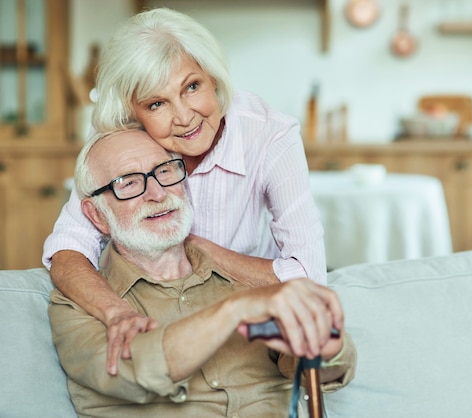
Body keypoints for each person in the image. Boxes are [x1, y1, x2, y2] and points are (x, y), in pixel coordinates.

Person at [42, 7, 326, 375]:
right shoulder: (120, 137)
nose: (184, 116)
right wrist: (117, 313)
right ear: (132, 112)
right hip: (153, 312)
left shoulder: (270, 135)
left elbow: (309, 276)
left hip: (244, 317)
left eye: (192, 87)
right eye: (156, 104)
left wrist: (200, 248)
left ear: (213, 78)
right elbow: (68, 249)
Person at [48, 129, 356, 418]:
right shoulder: (79, 303)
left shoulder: (245, 280)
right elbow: (133, 371)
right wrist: (235, 311)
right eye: (129, 182)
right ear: (97, 215)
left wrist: (327, 349)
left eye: (164, 171)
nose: (157, 193)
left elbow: (317, 371)